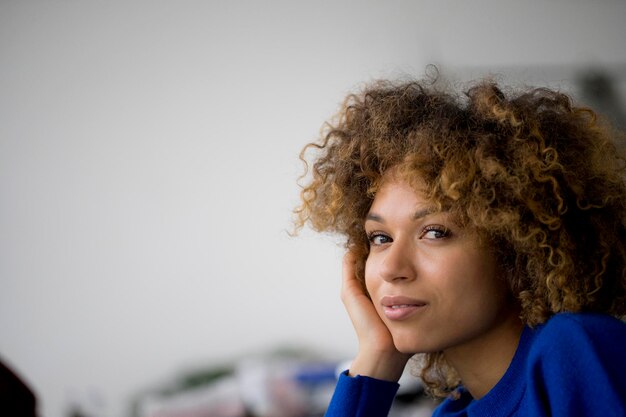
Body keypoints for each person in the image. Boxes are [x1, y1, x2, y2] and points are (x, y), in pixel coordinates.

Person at [294, 75, 626, 416]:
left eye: (435, 233)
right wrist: (375, 358)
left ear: (515, 249)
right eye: (381, 238)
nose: (392, 268)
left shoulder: (575, 350)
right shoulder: (451, 413)